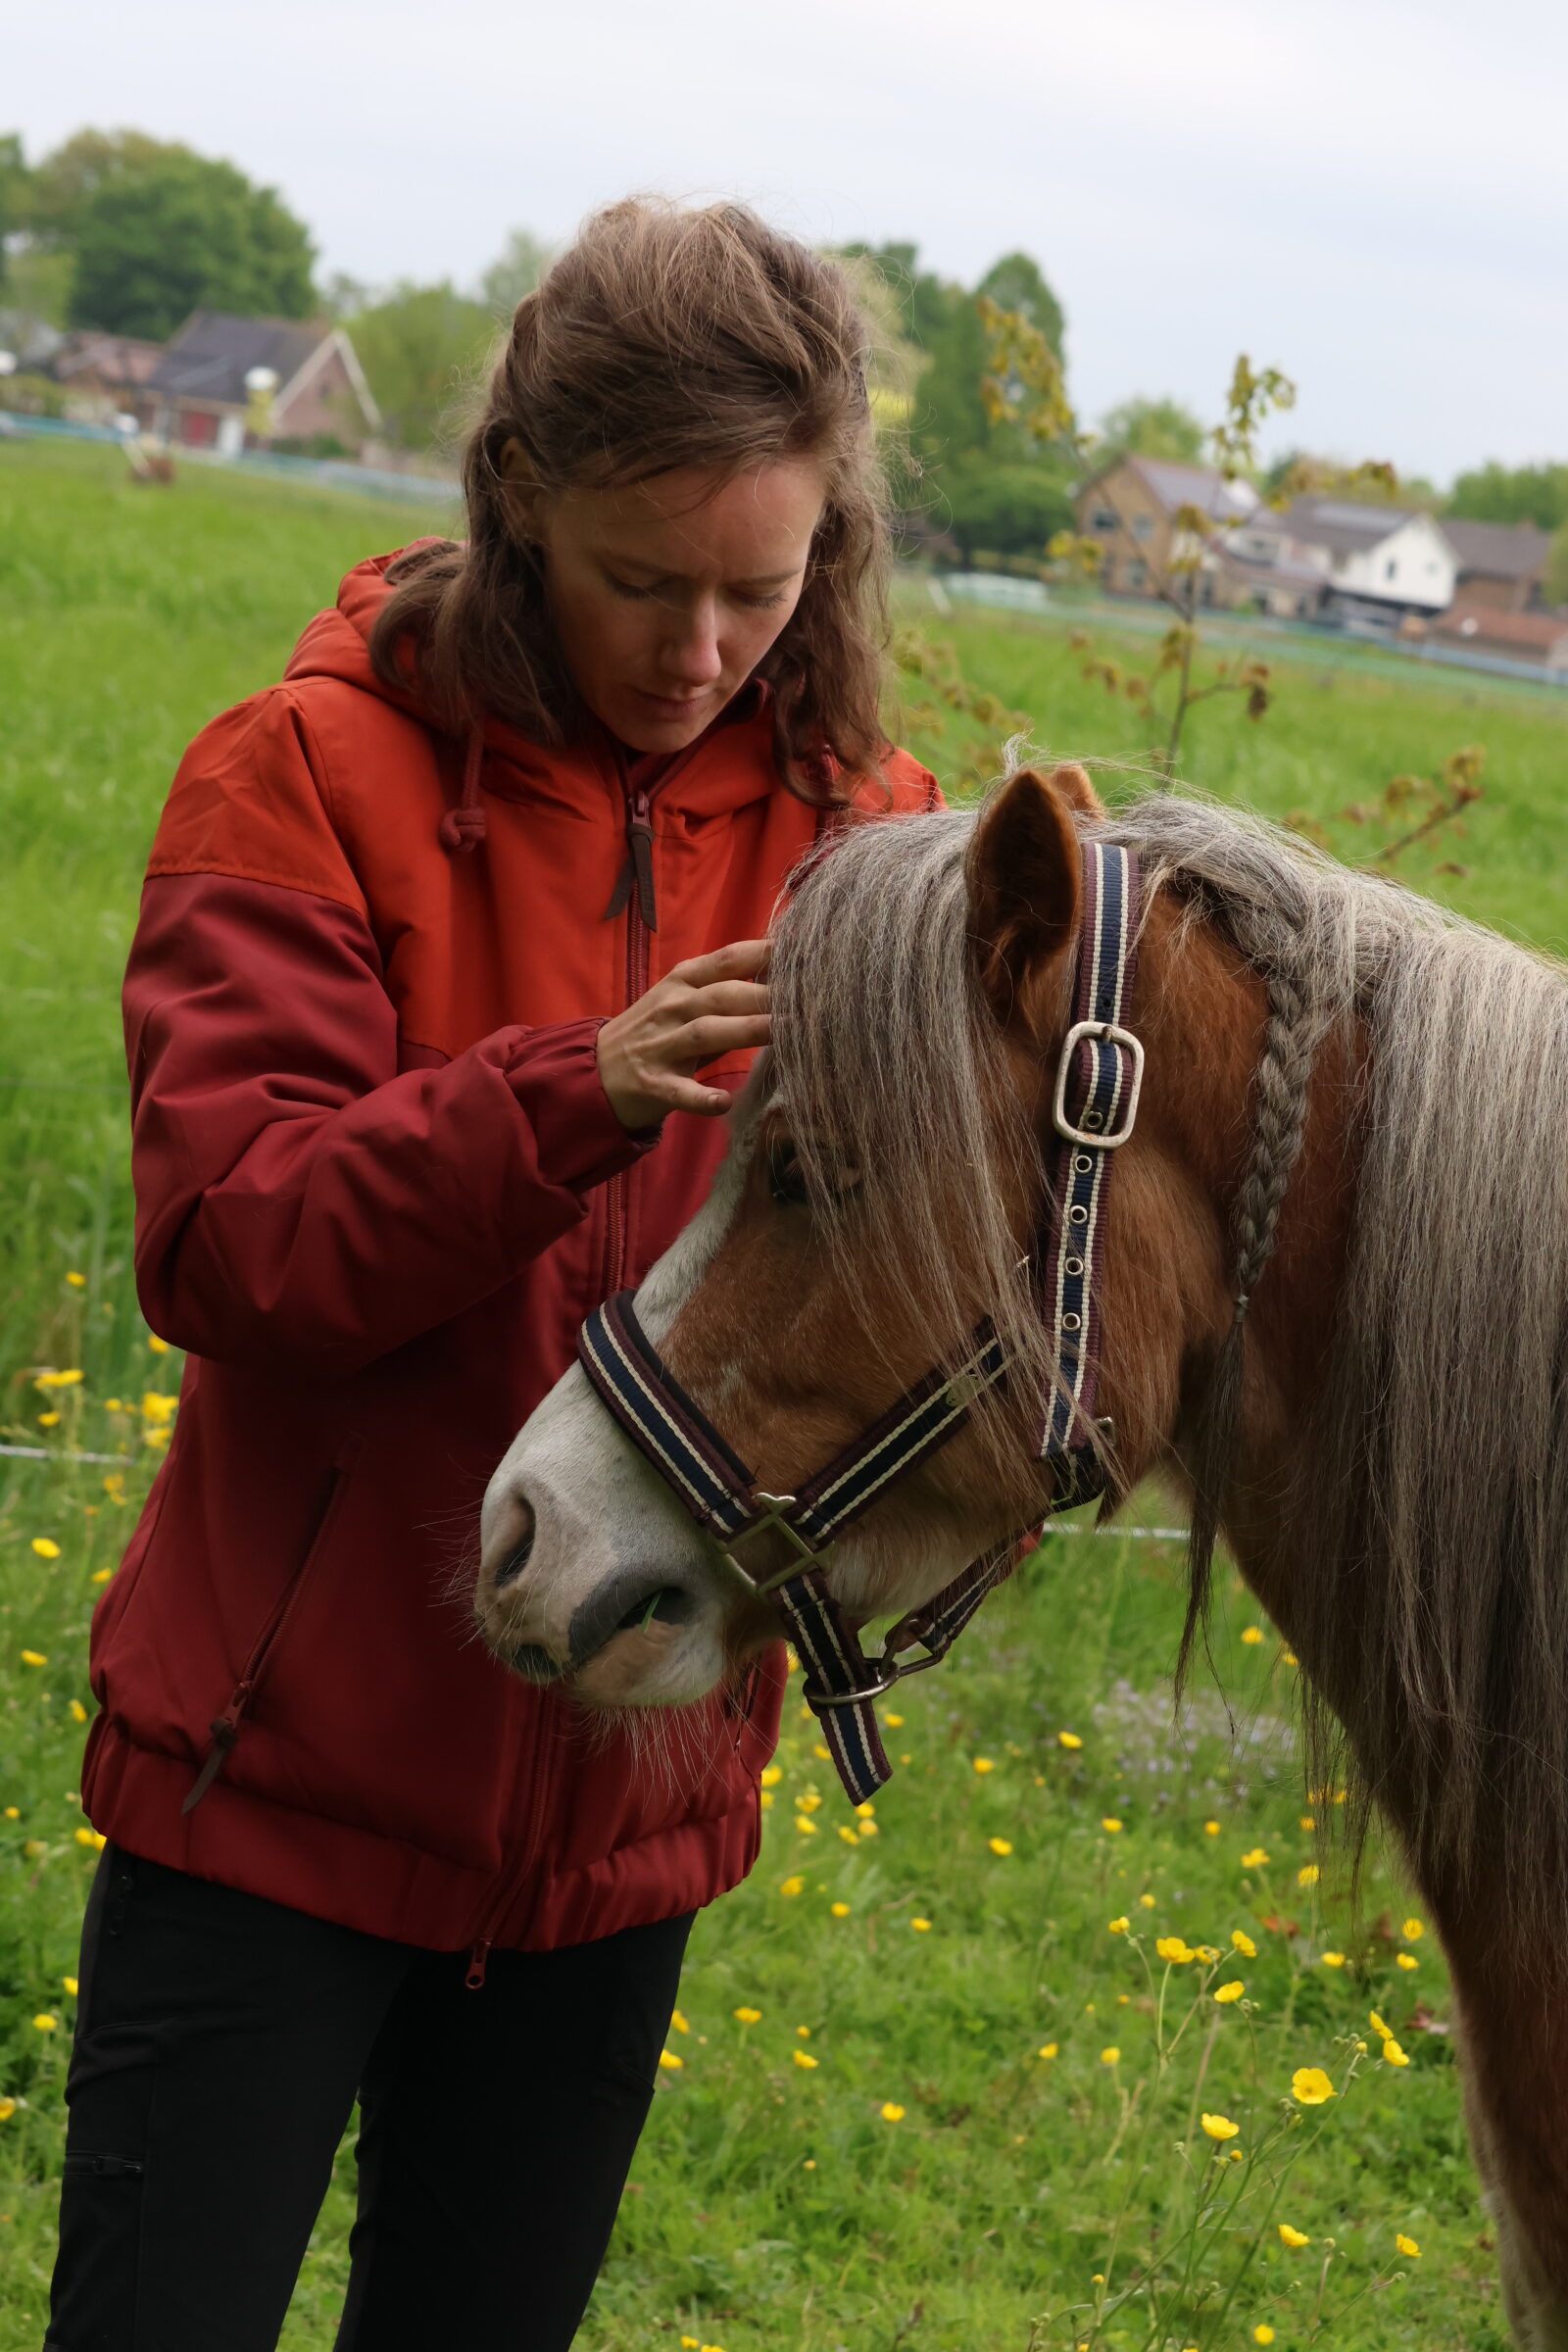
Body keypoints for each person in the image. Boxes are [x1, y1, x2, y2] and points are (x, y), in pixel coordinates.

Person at [47, 198, 940, 2351]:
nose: (702, 641)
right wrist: (567, 1093)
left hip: (618, 1831)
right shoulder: (306, 774)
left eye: (763, 582)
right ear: (516, 497)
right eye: (645, 579)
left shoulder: (870, 836)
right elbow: (230, 1238)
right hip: (269, 1801)